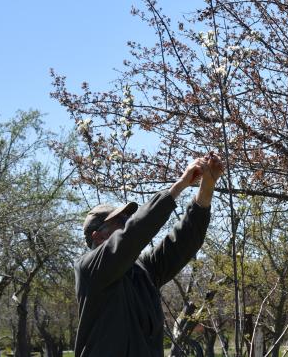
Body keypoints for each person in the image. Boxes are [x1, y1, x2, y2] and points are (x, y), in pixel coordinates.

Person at [74, 152, 225, 357]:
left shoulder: (142, 271)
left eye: (128, 219)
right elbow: (134, 234)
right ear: (98, 236)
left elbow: (184, 241)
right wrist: (180, 184)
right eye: (120, 222)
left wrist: (207, 186)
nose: (127, 223)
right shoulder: (89, 270)